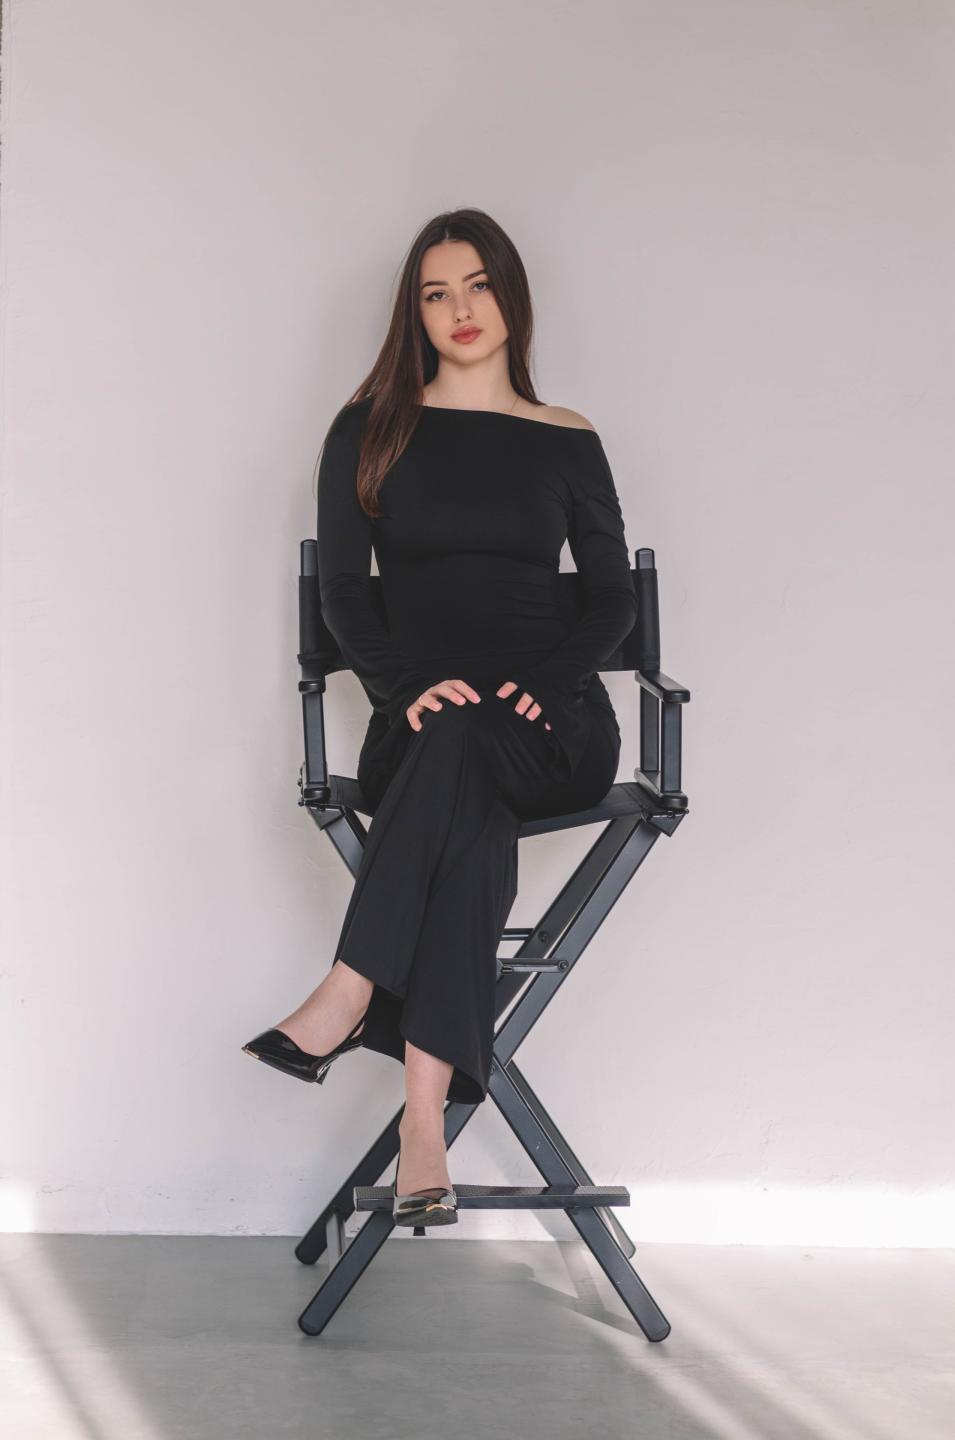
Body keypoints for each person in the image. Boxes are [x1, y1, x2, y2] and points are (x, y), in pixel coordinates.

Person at [243, 207, 638, 1227]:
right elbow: (344, 595)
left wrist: (552, 680)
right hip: (420, 727)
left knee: (466, 762)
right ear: (414, 313)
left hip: (552, 726)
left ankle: (351, 985)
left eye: (478, 285)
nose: (460, 309)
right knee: (462, 791)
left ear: (511, 296)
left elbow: (611, 599)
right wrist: (399, 687)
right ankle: (426, 1125)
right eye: (436, 293)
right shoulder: (368, 429)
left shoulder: (568, 437)